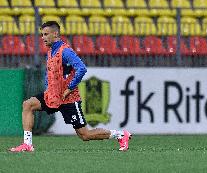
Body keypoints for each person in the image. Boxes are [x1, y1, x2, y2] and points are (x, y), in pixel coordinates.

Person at [9, 21, 131, 152]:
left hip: (69, 99)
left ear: (55, 34)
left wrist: (69, 88)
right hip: (53, 95)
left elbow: (81, 69)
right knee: (28, 104)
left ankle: (121, 135)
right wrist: (47, 87)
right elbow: (49, 72)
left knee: (85, 135)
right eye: (42, 34)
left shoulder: (65, 51)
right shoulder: (51, 51)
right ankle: (27, 144)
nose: (43, 37)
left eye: (46, 34)